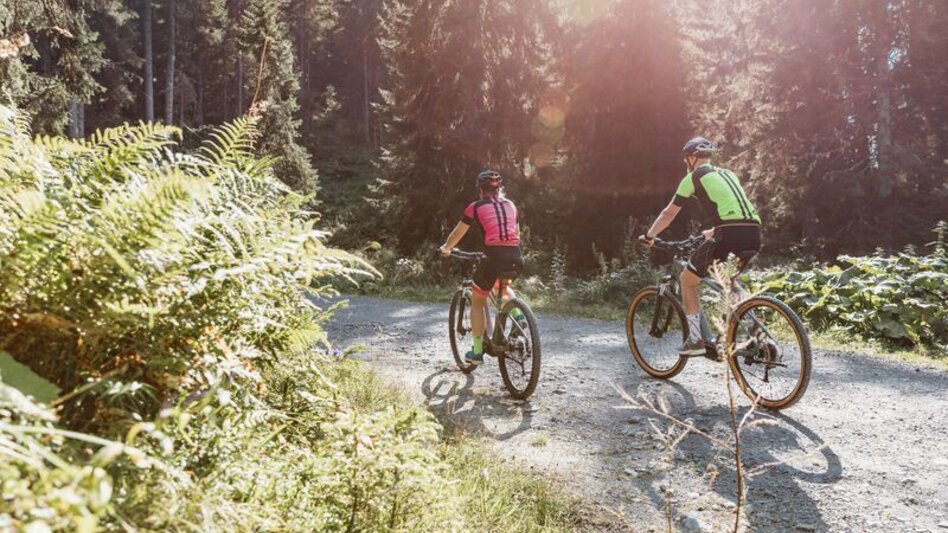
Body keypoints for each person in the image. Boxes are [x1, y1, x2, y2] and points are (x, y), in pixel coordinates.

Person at [641, 136, 761, 355]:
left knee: (687, 280)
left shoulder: (693, 177)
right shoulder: (728, 174)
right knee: (730, 282)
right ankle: (759, 335)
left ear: (691, 158)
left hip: (729, 234)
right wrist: (713, 231)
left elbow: (668, 214)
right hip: (753, 233)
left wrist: (650, 235)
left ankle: (696, 340)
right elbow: (735, 210)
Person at [440, 169, 526, 365]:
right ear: (499, 188)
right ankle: (518, 314)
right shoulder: (511, 205)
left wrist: (446, 248)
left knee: (478, 301)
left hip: (493, 256)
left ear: (480, 189)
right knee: (502, 285)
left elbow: (457, 233)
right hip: (515, 256)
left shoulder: (475, 207)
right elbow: (516, 234)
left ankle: (477, 352)